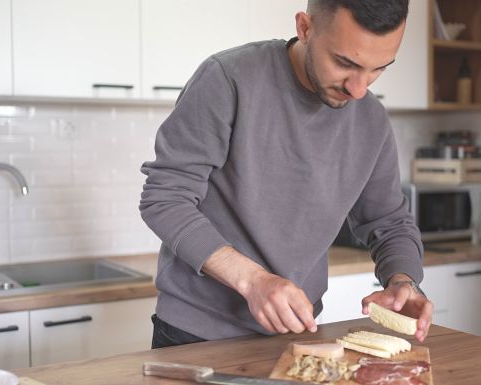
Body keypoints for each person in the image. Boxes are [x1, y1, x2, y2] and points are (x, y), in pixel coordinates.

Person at [139, 0, 433, 349]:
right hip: (195, 335)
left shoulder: (372, 120)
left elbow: (389, 222)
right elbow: (165, 198)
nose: (359, 88)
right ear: (305, 28)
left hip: (297, 334)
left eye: (378, 69)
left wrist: (403, 280)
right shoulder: (228, 78)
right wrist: (253, 281)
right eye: (344, 63)